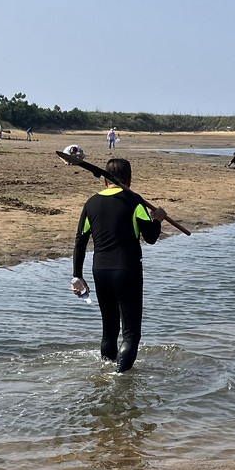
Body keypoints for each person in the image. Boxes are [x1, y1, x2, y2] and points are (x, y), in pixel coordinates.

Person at [71, 157, 165, 373]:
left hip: (100, 271)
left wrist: (77, 276)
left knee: (109, 330)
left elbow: (80, 241)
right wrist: (157, 219)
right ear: (129, 180)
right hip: (127, 270)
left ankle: (106, 373)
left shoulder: (91, 203)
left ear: (105, 181)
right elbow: (150, 237)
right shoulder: (134, 201)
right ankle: (119, 379)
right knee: (131, 334)